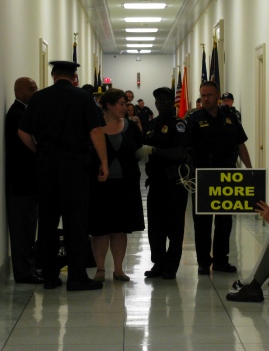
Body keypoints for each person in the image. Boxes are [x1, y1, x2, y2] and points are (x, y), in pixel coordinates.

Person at [18, 60, 109, 291]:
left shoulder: (38, 98)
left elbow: (23, 132)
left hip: (46, 165)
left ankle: (50, 276)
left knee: (47, 220)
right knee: (75, 221)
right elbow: (96, 130)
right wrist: (104, 162)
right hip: (74, 164)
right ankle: (77, 276)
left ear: (53, 75)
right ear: (74, 77)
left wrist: (40, 152)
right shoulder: (83, 98)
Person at [186, 81, 252, 275]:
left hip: (226, 175)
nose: (205, 99)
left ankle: (222, 260)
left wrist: (249, 170)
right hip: (203, 175)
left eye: (209, 95)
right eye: (203, 95)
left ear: (218, 96)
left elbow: (240, 144)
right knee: (202, 222)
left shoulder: (230, 118)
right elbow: (186, 149)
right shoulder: (194, 119)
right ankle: (203, 262)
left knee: (224, 221)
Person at [88, 89, 145, 282]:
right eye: (121, 103)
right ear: (109, 105)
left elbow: (139, 149)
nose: (125, 107)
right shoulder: (95, 127)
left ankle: (119, 269)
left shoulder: (130, 126)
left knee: (120, 228)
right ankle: (101, 269)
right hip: (100, 184)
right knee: (100, 228)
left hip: (125, 184)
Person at [136, 87, 190, 280]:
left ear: (171, 102)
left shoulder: (179, 125)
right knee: (156, 228)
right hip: (156, 183)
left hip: (174, 183)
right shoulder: (151, 125)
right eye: (157, 100)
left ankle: (171, 267)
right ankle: (158, 263)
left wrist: (154, 150)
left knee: (175, 228)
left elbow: (179, 153)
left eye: (164, 100)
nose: (160, 103)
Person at [5, 77, 42, 284]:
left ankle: (30, 268)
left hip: (27, 182)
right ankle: (24, 272)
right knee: (22, 230)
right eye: (30, 89)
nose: (34, 91)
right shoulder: (17, 114)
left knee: (28, 228)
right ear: (18, 91)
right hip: (20, 183)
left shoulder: (25, 111)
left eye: (36, 88)